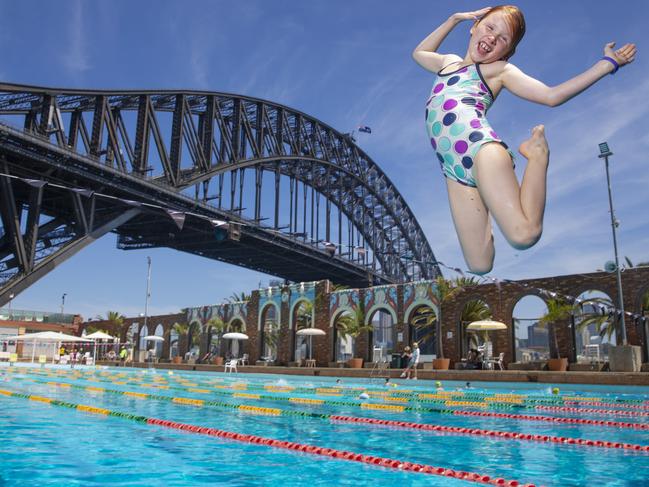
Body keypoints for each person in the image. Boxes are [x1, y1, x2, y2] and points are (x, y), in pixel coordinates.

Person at [413, 6, 636, 273]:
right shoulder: (447, 62)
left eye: (503, 39)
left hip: (481, 149)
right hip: (453, 169)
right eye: (489, 27)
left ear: (506, 52)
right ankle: (490, 198)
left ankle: (537, 153)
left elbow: (552, 96)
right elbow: (419, 53)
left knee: (524, 235)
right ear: (475, 26)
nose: (493, 38)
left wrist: (607, 64)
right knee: (479, 264)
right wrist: (454, 19)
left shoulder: (498, 71)